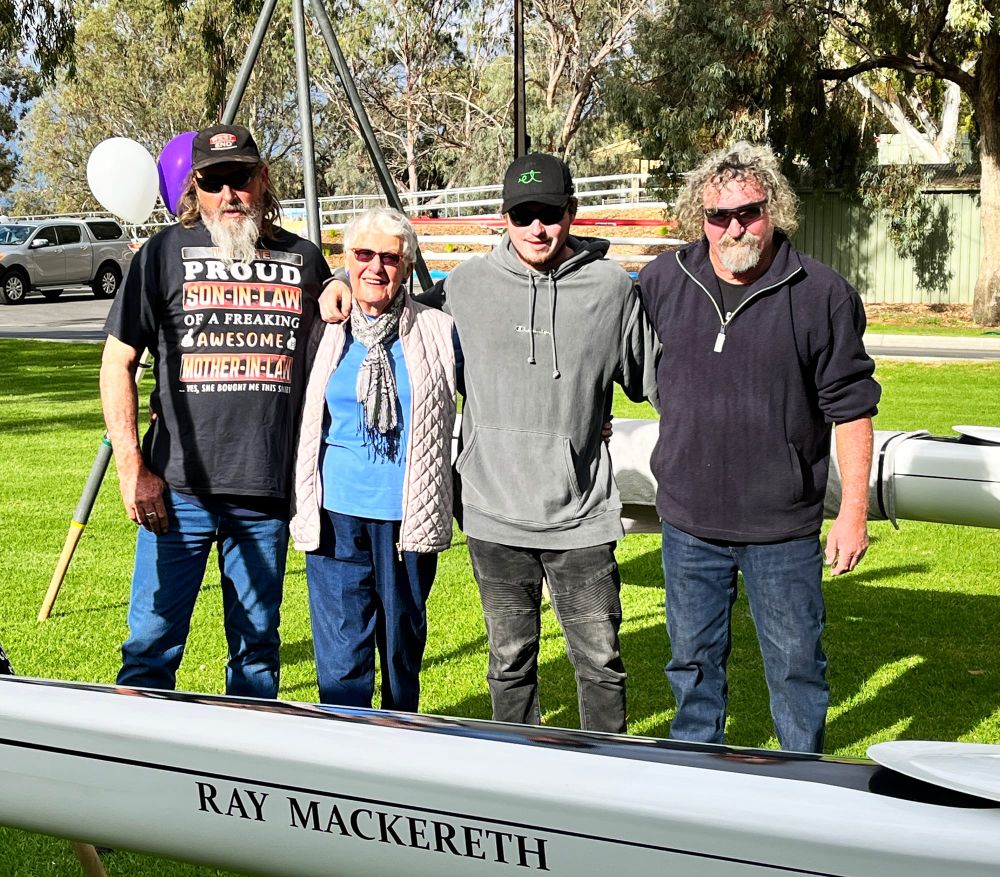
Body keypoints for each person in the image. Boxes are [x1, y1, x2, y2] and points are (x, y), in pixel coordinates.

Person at [323, 153, 659, 733]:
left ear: (571, 213)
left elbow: (660, 378)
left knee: (601, 662)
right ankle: (514, 775)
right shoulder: (469, 286)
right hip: (491, 515)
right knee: (509, 662)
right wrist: (339, 283)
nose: (537, 228)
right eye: (524, 214)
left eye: (549, 214)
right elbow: (392, 314)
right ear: (504, 217)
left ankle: (610, 782)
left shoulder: (610, 289)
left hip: (580, 517)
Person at [638, 141, 881, 753]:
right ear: (700, 219)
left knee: (798, 665)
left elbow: (852, 410)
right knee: (691, 665)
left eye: (749, 210)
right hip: (690, 521)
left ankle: (804, 773)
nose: (735, 227)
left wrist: (852, 512)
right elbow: (581, 301)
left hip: (783, 527)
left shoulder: (822, 293)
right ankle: (696, 770)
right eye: (718, 216)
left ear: (776, 208)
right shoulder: (665, 279)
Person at [100, 123, 330, 697]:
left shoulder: (303, 260)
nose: (230, 194)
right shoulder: (159, 256)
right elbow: (116, 364)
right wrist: (132, 469)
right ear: (194, 188)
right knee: (150, 648)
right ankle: (135, 774)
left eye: (241, 178)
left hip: (265, 495)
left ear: (262, 179)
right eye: (214, 181)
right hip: (175, 494)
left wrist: (344, 282)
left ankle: (238, 779)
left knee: (256, 655)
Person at [290, 208, 456, 711]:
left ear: (406, 266)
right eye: (364, 255)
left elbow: (492, 399)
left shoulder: (440, 330)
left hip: (409, 518)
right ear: (346, 260)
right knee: (342, 663)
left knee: (402, 657)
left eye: (390, 257)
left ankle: (396, 758)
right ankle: (344, 765)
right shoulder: (323, 329)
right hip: (336, 514)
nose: (375, 268)